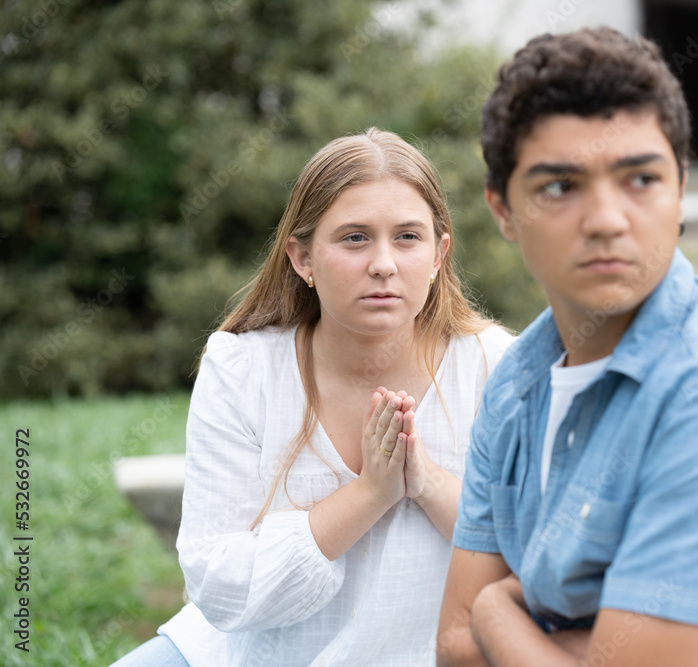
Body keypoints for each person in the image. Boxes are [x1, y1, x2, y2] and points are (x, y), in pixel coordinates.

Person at [437, 27, 698, 666]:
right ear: (502, 210)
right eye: (559, 186)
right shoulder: (519, 378)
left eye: (640, 179)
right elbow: (453, 649)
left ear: (680, 187)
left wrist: (497, 609)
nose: (607, 219)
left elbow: (477, 624)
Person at [112, 128, 512, 666]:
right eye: (354, 237)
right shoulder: (241, 368)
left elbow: (535, 557)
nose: (384, 264)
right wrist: (369, 494)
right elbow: (219, 585)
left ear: (440, 254)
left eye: (408, 237)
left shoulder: (496, 366)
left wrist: (427, 482)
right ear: (301, 258)